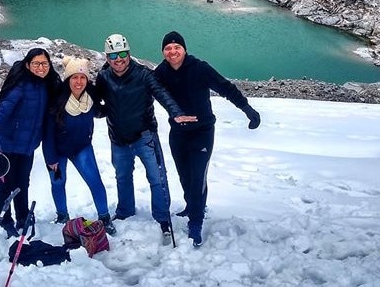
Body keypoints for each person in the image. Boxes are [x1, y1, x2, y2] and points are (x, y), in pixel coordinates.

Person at [153, 31, 261, 247]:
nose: (173, 52)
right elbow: (144, 88)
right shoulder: (161, 72)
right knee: (185, 176)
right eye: (168, 49)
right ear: (163, 52)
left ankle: (196, 221)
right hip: (178, 133)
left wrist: (247, 109)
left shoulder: (199, 68)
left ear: (184, 49)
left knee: (198, 178)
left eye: (177, 47)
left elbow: (225, 87)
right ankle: (191, 206)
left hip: (202, 132)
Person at [94, 33, 196, 243]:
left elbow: (162, 94)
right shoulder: (104, 77)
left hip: (144, 136)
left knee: (157, 179)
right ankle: (125, 212)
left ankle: (162, 217)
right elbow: (97, 104)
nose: (118, 59)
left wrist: (176, 113)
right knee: (122, 177)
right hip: (118, 137)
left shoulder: (143, 74)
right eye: (113, 55)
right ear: (107, 58)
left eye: (122, 53)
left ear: (129, 54)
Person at [0, 48, 60, 238]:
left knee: (23, 182)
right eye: (36, 64)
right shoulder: (21, 84)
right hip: (6, 143)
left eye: (44, 64)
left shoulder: (47, 85)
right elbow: (5, 107)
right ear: (28, 65)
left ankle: (23, 216)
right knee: (5, 184)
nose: (41, 68)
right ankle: (4, 219)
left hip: (27, 145)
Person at [42, 56, 116, 234]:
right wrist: (51, 158)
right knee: (58, 183)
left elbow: (99, 111)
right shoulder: (57, 101)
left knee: (95, 181)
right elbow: (48, 133)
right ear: (68, 79)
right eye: (74, 77)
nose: (79, 82)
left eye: (82, 77)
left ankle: (104, 217)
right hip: (58, 151)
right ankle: (62, 215)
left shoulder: (90, 98)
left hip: (82, 148)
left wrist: (119, 105)